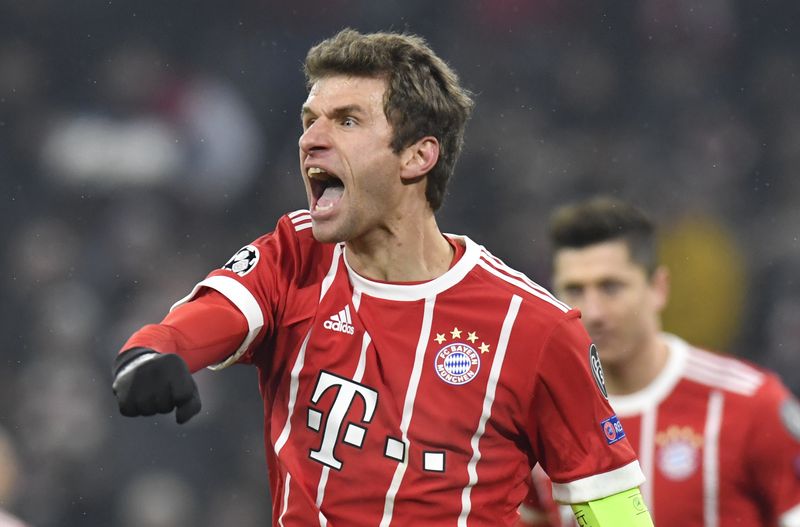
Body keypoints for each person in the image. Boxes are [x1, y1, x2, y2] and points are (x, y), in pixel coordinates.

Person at [111, 29, 653, 527]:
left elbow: (605, 498)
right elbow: (202, 323)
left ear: (418, 156)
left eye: (346, 121)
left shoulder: (533, 328)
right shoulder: (294, 258)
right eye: (309, 121)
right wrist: (152, 353)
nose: (311, 140)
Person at [516, 196, 800, 527]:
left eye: (611, 287)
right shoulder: (537, 419)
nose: (593, 312)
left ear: (658, 288)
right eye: (575, 289)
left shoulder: (750, 403)